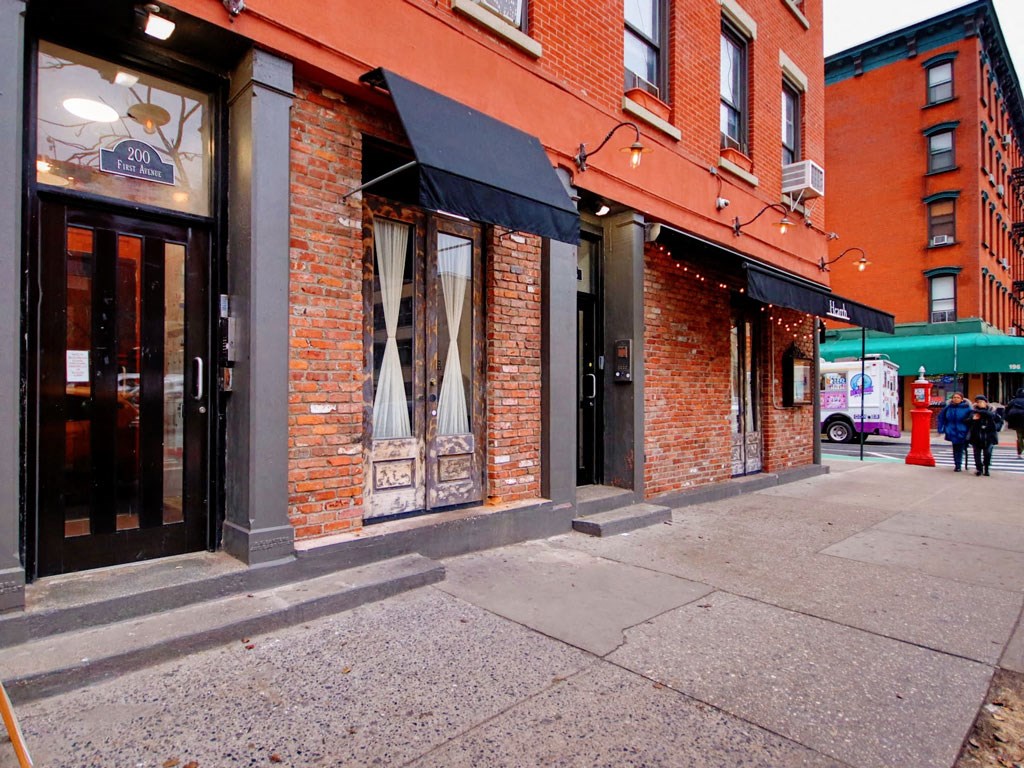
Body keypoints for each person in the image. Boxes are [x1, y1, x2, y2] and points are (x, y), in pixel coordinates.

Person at [964, 394, 1003, 476]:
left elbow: (999, 421)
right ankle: (979, 469)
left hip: (989, 436)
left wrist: (995, 427)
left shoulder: (992, 411)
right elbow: (967, 421)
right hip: (976, 436)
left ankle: (986, 468)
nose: (980, 403)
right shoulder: (973, 411)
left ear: (986, 402)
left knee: (988, 453)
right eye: (978, 402)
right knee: (976, 454)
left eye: (981, 401)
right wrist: (972, 419)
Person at [936, 391, 971, 471]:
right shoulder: (948, 408)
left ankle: (959, 464)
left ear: (962, 399)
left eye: (958, 397)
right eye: (954, 397)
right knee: (956, 447)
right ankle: (957, 464)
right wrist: (941, 428)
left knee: (961, 447)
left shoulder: (967, 408)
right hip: (952, 430)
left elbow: (971, 418)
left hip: (963, 430)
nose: (956, 399)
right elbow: (941, 417)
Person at [1005, 387, 1024, 460]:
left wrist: (1007, 420)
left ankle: (1019, 452)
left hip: (1017, 423)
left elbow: (1007, 411)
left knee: (1019, 437)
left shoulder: (1013, 401)